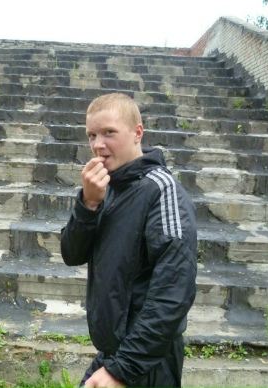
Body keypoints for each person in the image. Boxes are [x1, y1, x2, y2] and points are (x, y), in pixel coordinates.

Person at [61, 93, 197, 388]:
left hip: (147, 361)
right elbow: (72, 254)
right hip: (115, 354)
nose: (98, 144)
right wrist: (88, 204)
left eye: (109, 132)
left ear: (137, 133)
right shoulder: (106, 189)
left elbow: (174, 290)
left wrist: (122, 370)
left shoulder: (161, 189)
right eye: (92, 135)